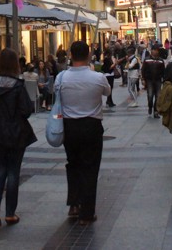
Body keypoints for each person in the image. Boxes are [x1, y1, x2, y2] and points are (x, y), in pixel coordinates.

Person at [0, 48, 37, 227]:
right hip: (15, 133)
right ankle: (10, 213)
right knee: (13, 172)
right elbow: (26, 111)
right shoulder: (17, 86)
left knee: (0, 169)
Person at [58, 41, 111, 225]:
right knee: (90, 168)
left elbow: (55, 95)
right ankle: (87, 213)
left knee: (73, 164)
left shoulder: (61, 78)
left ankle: (74, 204)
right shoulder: (98, 77)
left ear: (70, 55)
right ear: (88, 55)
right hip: (91, 126)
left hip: (69, 127)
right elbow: (107, 92)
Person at [141, 45, 165, 118]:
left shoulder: (160, 60)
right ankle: (150, 106)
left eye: (156, 50)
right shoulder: (147, 59)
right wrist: (143, 79)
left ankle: (156, 111)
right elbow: (143, 70)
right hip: (149, 80)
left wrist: (164, 79)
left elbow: (163, 71)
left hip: (158, 80)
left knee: (158, 96)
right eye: (154, 50)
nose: (155, 52)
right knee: (150, 95)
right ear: (152, 51)